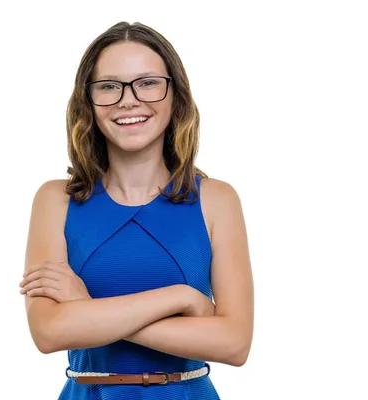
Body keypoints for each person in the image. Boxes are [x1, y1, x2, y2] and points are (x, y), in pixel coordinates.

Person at [19, 21, 254, 399]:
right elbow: (49, 332)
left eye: (147, 82)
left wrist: (86, 310)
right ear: (89, 102)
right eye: (109, 86)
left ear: (175, 96)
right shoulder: (55, 200)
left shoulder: (218, 200)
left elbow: (234, 343)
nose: (128, 100)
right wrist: (181, 297)